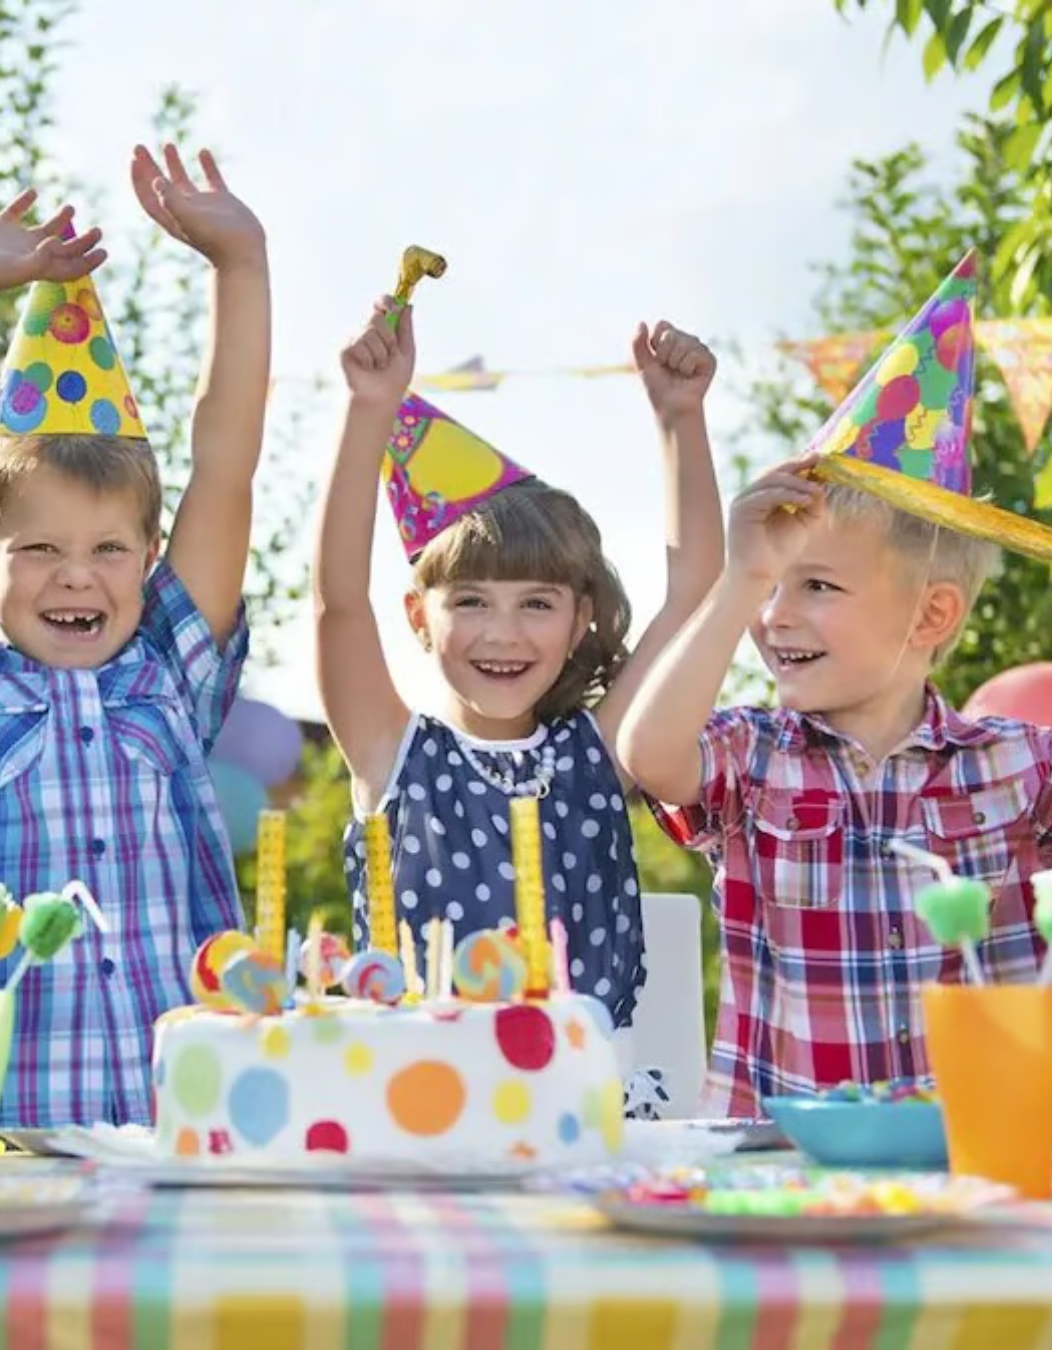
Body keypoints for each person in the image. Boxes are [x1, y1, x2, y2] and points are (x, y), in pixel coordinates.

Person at [620, 252, 1052, 1117]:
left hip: (979, 1156)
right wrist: (736, 578)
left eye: (814, 586)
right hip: (779, 1166)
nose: (775, 614)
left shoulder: (1021, 766)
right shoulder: (755, 754)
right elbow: (649, 755)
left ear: (930, 617)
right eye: (769, 586)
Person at [314, 293, 723, 1031]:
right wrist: (368, 410)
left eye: (536, 603)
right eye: (471, 602)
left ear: (579, 623)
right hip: (420, 1115)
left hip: (586, 1113)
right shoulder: (390, 752)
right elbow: (338, 601)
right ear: (419, 618)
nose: (503, 632)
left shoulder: (600, 753)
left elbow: (695, 591)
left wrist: (680, 420)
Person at [0, 142, 271, 1127]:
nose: (74, 573)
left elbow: (223, 465)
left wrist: (241, 268)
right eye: (39, 547)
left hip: (180, 1135)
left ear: (150, 554)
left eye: (108, 547)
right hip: (2, 1144)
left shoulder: (169, 673)